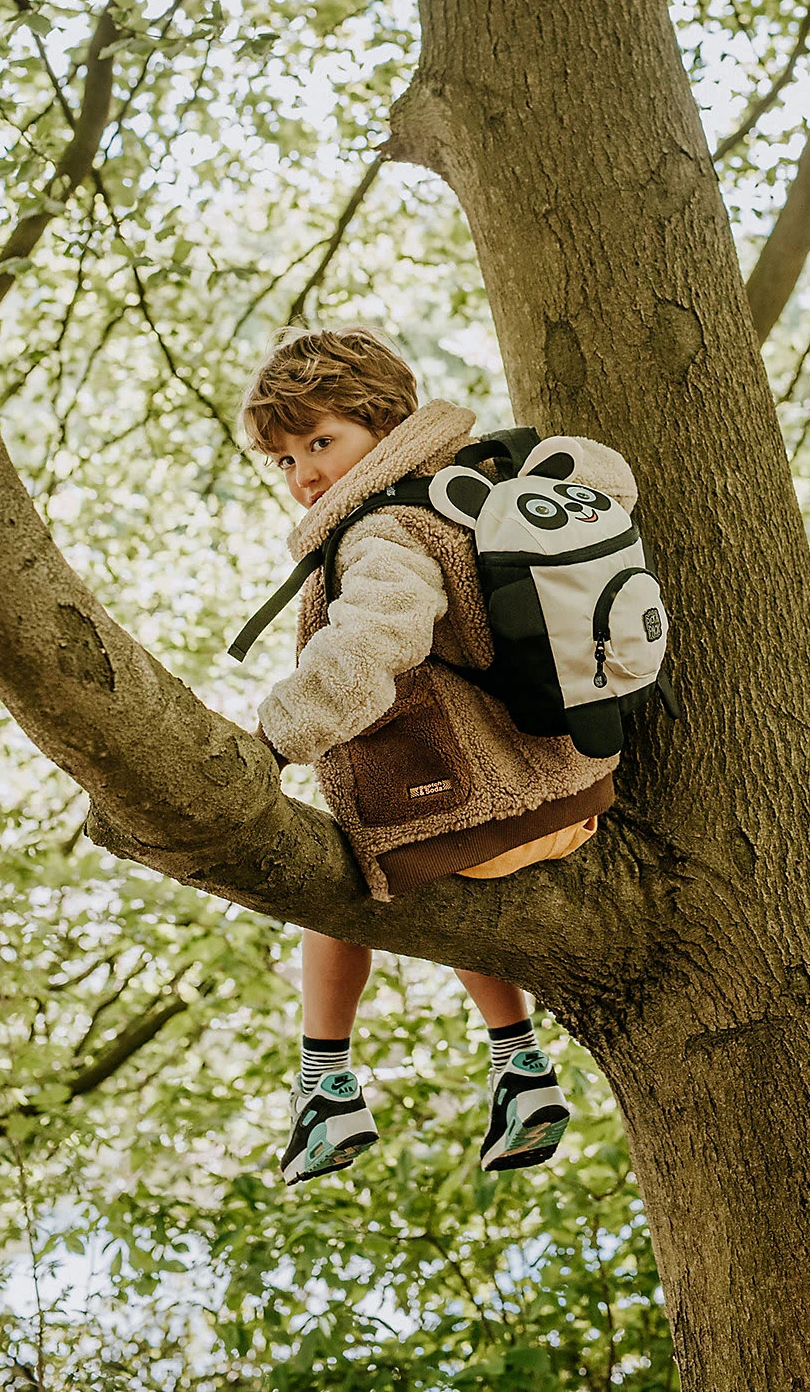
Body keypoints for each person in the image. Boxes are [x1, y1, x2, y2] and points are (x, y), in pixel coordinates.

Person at [239, 326, 636, 1185]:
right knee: (437, 851)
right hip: (573, 793)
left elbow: (373, 641)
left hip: (479, 811)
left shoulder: (382, 528)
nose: (303, 474)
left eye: (320, 441)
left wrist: (274, 739)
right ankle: (518, 1064)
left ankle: (325, 1084)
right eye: (284, 460)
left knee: (338, 870)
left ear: (384, 424)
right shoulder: (479, 486)